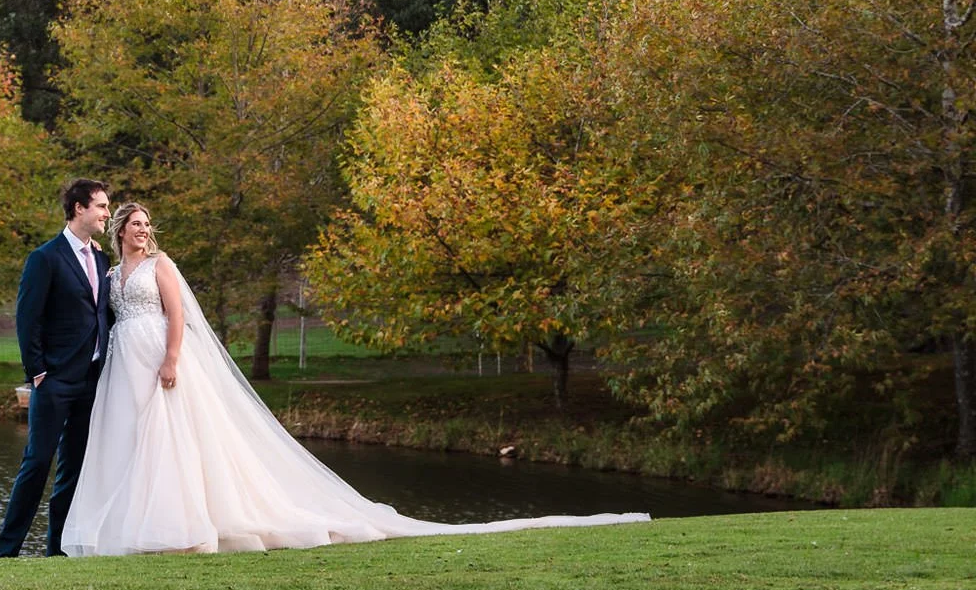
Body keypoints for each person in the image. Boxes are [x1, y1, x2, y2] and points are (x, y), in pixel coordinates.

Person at [59, 202, 650, 555]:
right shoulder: (113, 273)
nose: (142, 230)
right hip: (124, 365)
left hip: (161, 361)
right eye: (134, 224)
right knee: (132, 441)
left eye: (146, 224)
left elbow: (178, 317)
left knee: (170, 438)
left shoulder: (161, 265)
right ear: (121, 231)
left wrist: (171, 358)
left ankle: (182, 525)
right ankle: (133, 525)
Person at [0, 177, 114, 557]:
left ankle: (57, 550)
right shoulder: (44, 258)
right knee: (37, 462)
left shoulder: (101, 259)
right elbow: (28, 318)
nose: (107, 214)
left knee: (73, 468)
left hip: (91, 380)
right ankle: (7, 551)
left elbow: (101, 314)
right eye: (101, 206)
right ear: (79, 208)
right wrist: (38, 371)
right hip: (55, 379)